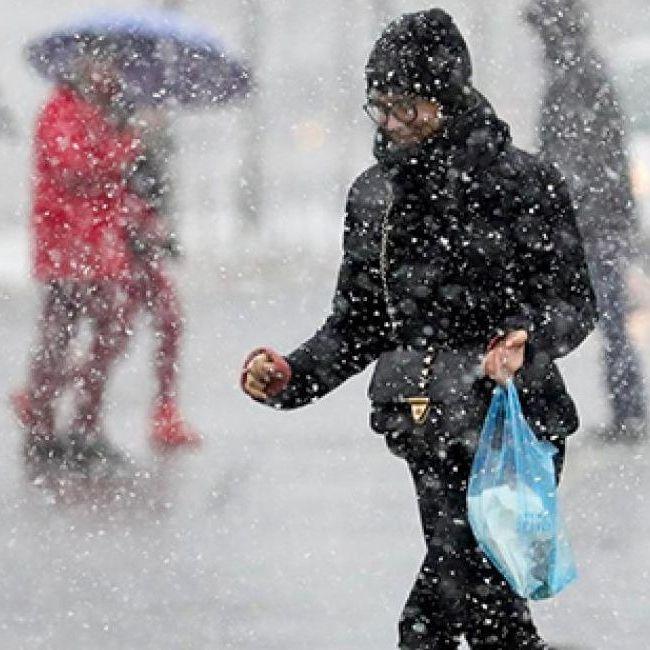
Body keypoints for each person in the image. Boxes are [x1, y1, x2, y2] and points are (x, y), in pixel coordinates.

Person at [241, 8, 596, 649]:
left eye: (410, 107)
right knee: (489, 612)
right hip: (426, 426)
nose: (394, 123)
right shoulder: (375, 195)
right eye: (381, 106)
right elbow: (358, 324)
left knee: (449, 610)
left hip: (514, 426)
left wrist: (527, 342)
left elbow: (574, 302)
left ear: (449, 97)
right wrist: (292, 377)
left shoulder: (526, 183)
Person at [525, 0, 647, 443]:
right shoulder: (578, 72)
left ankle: (627, 410)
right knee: (603, 318)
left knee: (605, 317)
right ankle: (627, 409)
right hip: (591, 223)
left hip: (587, 225)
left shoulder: (576, 76)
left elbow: (582, 157)